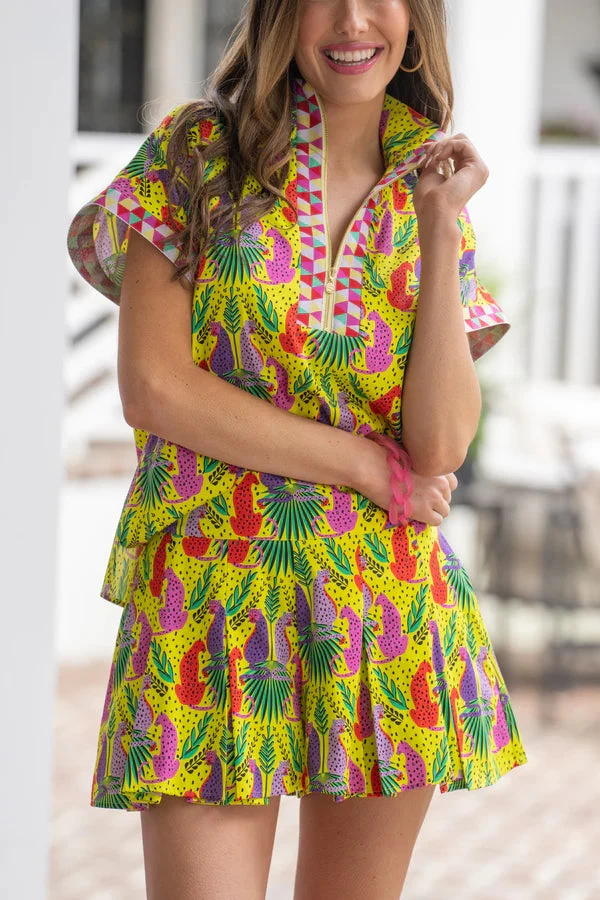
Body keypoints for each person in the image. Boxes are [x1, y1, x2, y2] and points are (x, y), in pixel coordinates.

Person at [67, 0, 529, 897]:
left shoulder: (430, 179)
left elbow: (437, 445)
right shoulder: (195, 154)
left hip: (382, 612)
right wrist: (361, 463)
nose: (353, 20)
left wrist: (440, 226)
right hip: (207, 599)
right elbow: (154, 388)